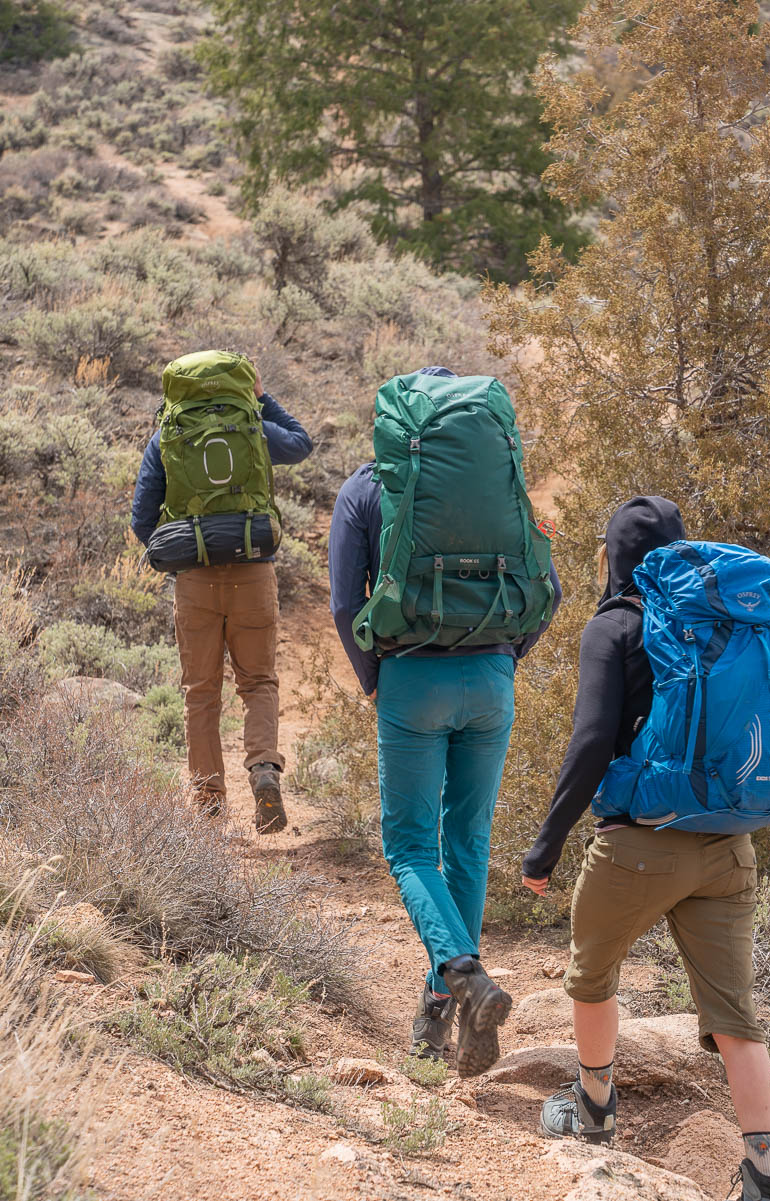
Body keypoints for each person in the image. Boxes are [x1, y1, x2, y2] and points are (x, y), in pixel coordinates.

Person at [521, 496, 770, 1201]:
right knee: (735, 1018)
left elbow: (590, 744)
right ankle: (765, 1173)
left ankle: (594, 1111)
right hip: (729, 847)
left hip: (638, 846)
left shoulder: (614, 626)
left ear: (612, 557)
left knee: (591, 975)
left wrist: (545, 848)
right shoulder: (723, 623)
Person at [328, 366, 561, 1076]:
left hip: (411, 679)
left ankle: (460, 974)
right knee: (468, 841)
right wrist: (505, 658)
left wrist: (375, 679)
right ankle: (443, 1010)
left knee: (408, 848)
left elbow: (344, 602)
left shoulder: (365, 488)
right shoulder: (502, 487)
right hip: (491, 680)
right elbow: (547, 588)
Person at [131, 362, 312, 833]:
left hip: (195, 580)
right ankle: (264, 769)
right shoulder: (253, 427)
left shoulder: (168, 437)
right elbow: (300, 443)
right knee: (258, 682)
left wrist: (181, 553)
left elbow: (141, 520)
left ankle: (209, 802)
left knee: (200, 692)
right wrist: (263, 398)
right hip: (254, 573)